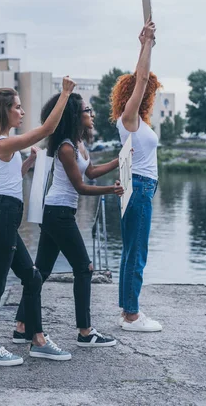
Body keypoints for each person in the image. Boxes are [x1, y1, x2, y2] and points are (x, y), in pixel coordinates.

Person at [0, 77, 76, 366]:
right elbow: (47, 129)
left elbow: (9, 181)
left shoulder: (3, 145)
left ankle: (37, 340)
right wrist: (65, 94)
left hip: (5, 216)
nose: (21, 112)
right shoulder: (4, 142)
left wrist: (28, 164)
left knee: (31, 278)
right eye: (17, 108)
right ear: (4, 112)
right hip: (2, 217)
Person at [14, 93, 123, 347]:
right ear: (76, 115)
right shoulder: (65, 147)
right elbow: (81, 187)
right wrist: (112, 190)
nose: (92, 114)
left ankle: (21, 326)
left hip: (59, 213)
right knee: (84, 268)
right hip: (58, 213)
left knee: (39, 272)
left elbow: (92, 172)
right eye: (88, 110)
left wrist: (120, 160)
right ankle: (85, 332)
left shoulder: (78, 144)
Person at [110, 18, 162, 332]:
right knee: (137, 251)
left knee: (131, 250)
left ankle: (128, 309)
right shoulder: (127, 119)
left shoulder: (137, 123)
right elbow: (141, 78)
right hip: (139, 187)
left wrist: (146, 45)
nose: (149, 93)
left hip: (138, 187)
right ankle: (132, 315)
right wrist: (146, 45)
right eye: (146, 90)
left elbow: (142, 78)